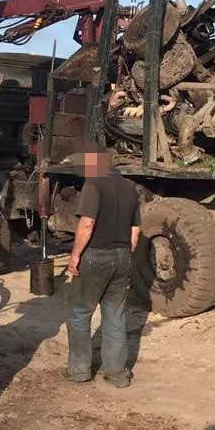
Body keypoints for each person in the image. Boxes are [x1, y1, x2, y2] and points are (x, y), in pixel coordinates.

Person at [65, 141, 140, 388]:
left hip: (96, 256)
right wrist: (124, 255)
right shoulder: (130, 187)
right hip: (123, 256)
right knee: (115, 315)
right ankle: (117, 373)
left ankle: (79, 371)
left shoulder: (93, 184)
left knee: (79, 313)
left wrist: (75, 255)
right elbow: (135, 230)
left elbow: (87, 223)